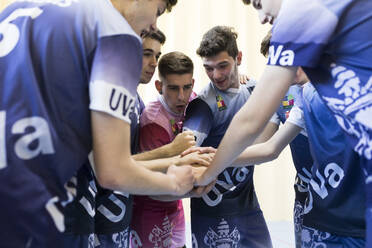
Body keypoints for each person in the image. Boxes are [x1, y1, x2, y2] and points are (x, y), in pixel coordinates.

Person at [0, 0, 200, 247]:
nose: (153, 24)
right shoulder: (115, 33)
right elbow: (112, 171)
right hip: (55, 212)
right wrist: (175, 182)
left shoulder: (17, 10)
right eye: (158, 11)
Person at [196, 0, 372, 244]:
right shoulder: (304, 92)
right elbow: (269, 146)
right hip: (330, 209)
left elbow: (250, 121)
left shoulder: (305, 17)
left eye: (259, 3)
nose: (261, 18)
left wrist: (207, 171)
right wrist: (213, 161)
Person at [233, 82, 366, 247]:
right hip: (315, 205)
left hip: (356, 209)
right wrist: (217, 159)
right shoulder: (303, 95)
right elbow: (268, 148)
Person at [183, 26, 278, 248]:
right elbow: (184, 158)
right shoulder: (202, 106)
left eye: (223, 66)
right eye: (208, 68)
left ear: (239, 58)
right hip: (212, 213)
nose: (216, 75)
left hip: (249, 207)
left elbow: (264, 144)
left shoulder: (254, 89)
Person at [131, 51, 206, 248]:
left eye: (187, 87)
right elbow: (150, 185)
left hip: (175, 206)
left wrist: (240, 81)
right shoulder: (152, 121)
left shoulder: (193, 101)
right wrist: (194, 193)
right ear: (159, 86)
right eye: (173, 88)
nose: (181, 96)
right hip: (149, 210)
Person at [259, 30, 314, 248]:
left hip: (343, 193)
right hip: (305, 190)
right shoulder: (286, 94)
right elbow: (266, 146)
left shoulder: (336, 89)